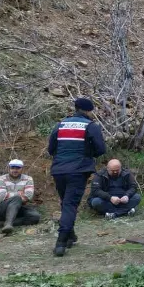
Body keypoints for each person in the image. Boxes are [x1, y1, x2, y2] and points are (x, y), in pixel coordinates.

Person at [48, 97, 107, 257]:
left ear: (75, 108)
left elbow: (51, 149)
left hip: (59, 170)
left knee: (66, 203)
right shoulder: (90, 125)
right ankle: (60, 242)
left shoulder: (60, 125)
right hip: (78, 170)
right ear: (88, 111)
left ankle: (70, 237)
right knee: (70, 204)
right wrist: (88, 155)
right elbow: (101, 149)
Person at [0, 159, 41, 234]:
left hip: (18, 208)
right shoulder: (0, 179)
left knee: (35, 216)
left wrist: (9, 194)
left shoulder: (28, 179)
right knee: (17, 198)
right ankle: (8, 224)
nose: (15, 170)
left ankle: (2, 224)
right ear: (9, 168)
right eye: (12, 168)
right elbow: (1, 197)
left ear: (22, 169)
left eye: (18, 168)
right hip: (1, 209)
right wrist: (19, 194)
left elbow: (28, 196)